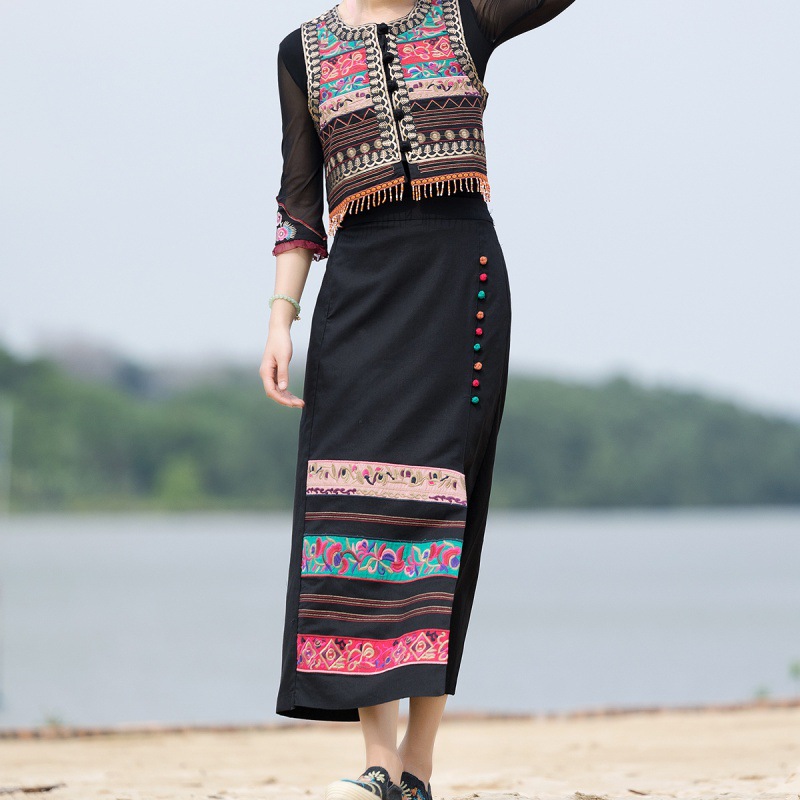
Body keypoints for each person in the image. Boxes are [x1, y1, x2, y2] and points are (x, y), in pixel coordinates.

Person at [259, 1, 576, 798]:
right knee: (354, 509)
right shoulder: (302, 52)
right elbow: (299, 201)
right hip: (359, 296)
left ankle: (418, 765)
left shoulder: (467, 17)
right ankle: (377, 761)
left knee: (441, 514)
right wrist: (280, 320)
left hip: (458, 286)